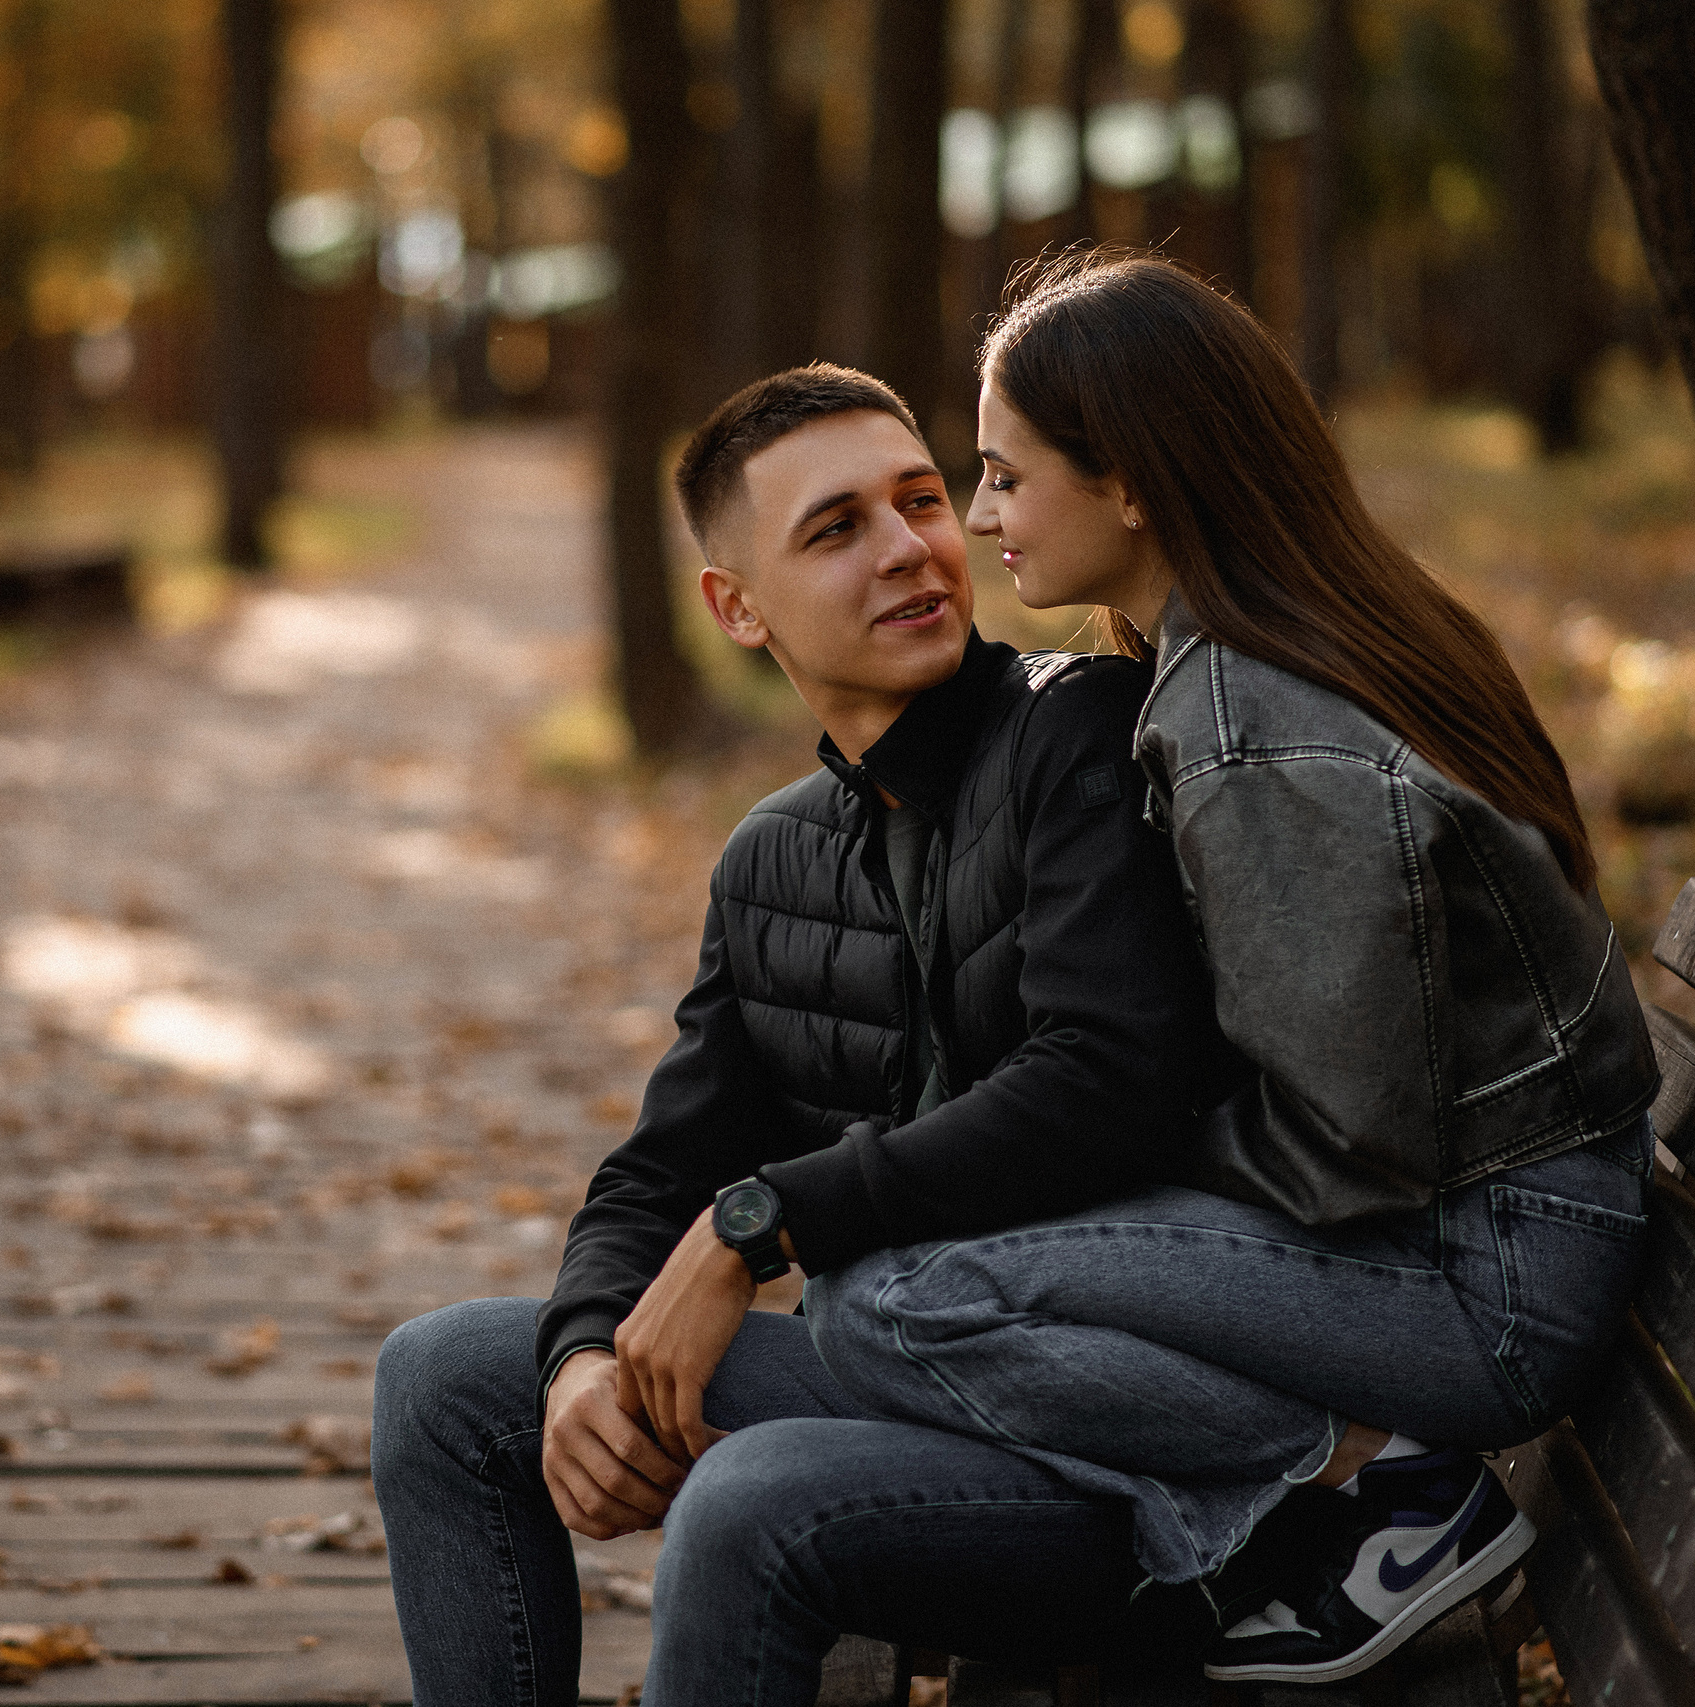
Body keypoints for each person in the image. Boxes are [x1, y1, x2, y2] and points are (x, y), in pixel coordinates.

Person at [806, 253, 1663, 1686]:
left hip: (1483, 1287)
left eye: (1009, 478)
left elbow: (1348, 1144)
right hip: (1502, 1225)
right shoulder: (1288, 636)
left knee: (889, 1299)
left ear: (1133, 481)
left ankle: (1379, 1492)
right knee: (934, 1256)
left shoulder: (1253, 728)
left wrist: (1090, 1164)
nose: (982, 518)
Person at [370, 364, 1266, 1707]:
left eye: (920, 500)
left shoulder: (1075, 733)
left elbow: (1107, 1084)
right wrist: (577, 1366)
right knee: (441, 1380)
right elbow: (657, 1172)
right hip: (904, 1386)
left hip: (1112, 1439)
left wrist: (766, 1224)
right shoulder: (776, 860)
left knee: (749, 1501)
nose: (912, 547)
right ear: (736, 607)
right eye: (837, 528)